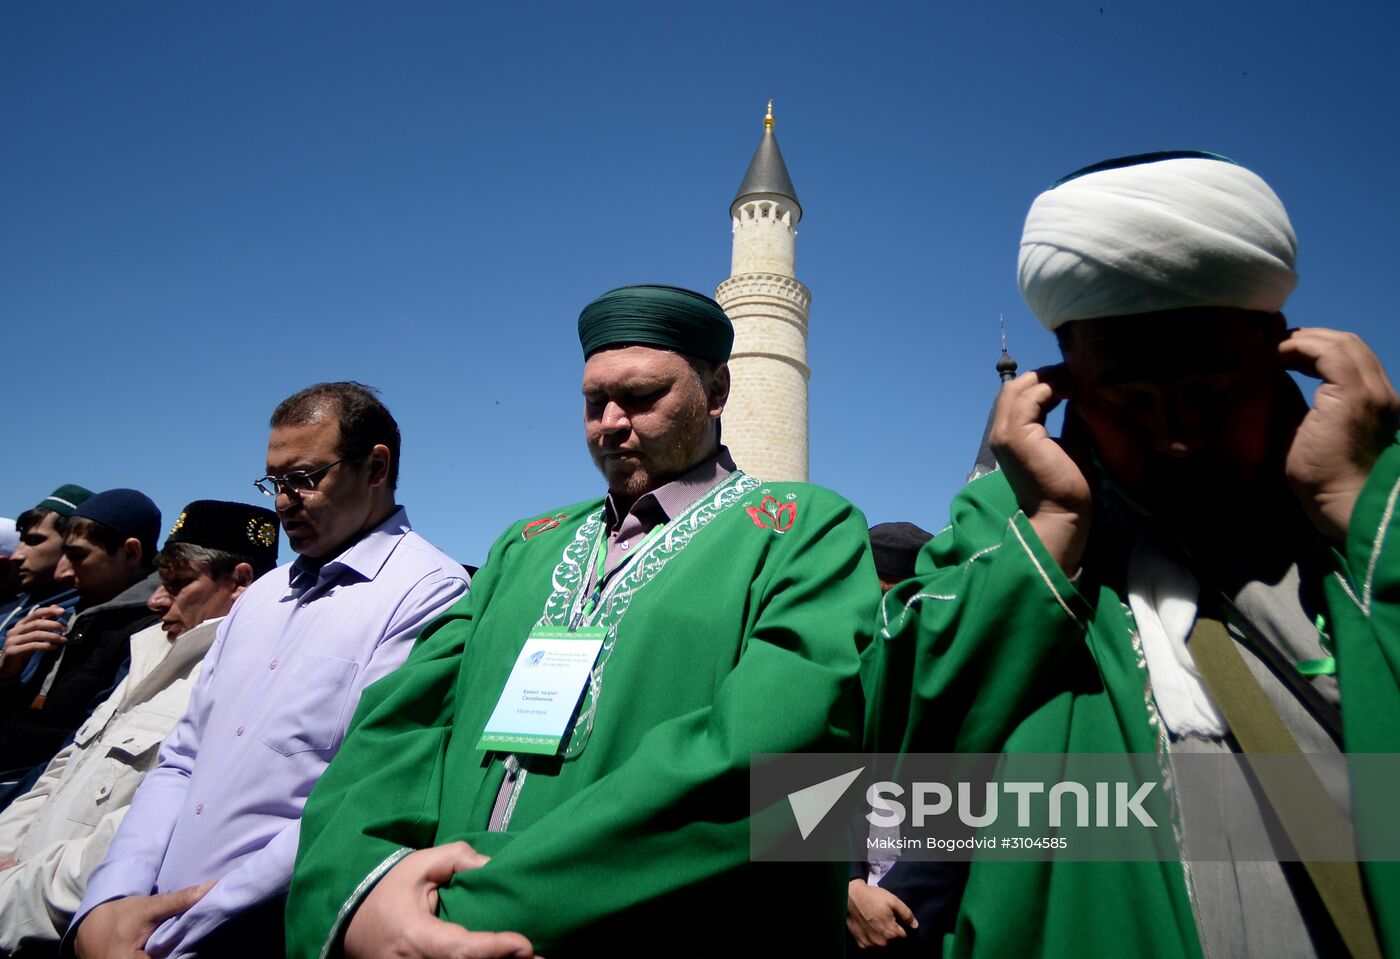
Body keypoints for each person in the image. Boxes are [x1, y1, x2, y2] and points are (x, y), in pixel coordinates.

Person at [864, 151, 1400, 957]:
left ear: (1290, 354)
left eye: (1215, 392)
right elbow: (881, 764)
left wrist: (1355, 509)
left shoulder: (1370, 521)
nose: (1178, 434)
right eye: (1128, 401)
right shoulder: (1008, 535)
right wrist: (1049, 533)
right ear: (1061, 387)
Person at [286, 285, 879, 958]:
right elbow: (397, 728)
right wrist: (363, 893)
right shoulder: (525, 545)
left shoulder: (803, 532)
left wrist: (455, 918)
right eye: (595, 401)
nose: (611, 422)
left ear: (717, 390)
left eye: (643, 395)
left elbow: (767, 768)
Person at [71, 382, 468, 959]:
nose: (283, 501)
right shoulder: (259, 598)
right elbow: (183, 759)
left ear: (375, 467)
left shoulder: (428, 594)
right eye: (275, 481)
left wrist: (179, 932)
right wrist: (109, 902)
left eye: (305, 478)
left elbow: (351, 798)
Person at [0, 499, 280, 954]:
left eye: (179, 584)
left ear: (241, 582)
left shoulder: (245, 684)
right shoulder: (151, 651)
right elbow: (62, 769)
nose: (155, 600)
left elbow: (139, 840)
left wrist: (14, 892)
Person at [0, 489, 162, 798]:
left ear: (129, 553)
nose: (61, 570)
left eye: (77, 556)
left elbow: (80, 752)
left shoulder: (147, 634)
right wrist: (8, 672)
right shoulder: (71, 613)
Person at [0, 486, 94, 641]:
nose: (17, 556)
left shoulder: (71, 616)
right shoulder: (17, 607)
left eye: (34, 541)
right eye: (21, 542)